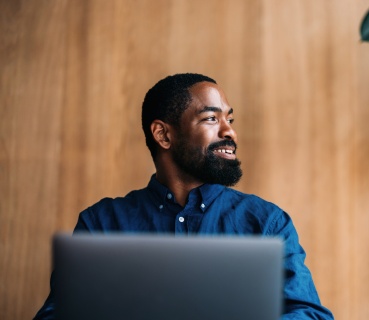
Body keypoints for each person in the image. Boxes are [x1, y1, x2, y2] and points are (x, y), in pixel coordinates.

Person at [34, 73, 334, 319]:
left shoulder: (267, 223)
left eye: (230, 119)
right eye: (211, 119)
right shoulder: (101, 223)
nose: (230, 132)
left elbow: (310, 315)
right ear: (163, 135)